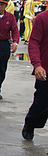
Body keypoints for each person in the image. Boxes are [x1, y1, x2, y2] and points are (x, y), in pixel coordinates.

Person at [22, 8, 48, 140]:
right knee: (42, 104)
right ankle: (30, 123)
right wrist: (37, 65)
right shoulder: (42, 18)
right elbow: (34, 42)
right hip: (45, 70)